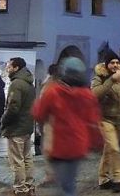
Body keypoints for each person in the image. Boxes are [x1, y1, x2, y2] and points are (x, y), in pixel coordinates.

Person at [32, 58, 101, 196]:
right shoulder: (88, 95)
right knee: (68, 182)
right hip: (78, 144)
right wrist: (97, 142)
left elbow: (38, 113)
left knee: (64, 186)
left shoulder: (53, 91)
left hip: (58, 145)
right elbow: (93, 120)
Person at [91, 51, 120, 192]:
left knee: (109, 149)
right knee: (114, 149)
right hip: (105, 119)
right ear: (106, 64)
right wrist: (111, 80)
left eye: (117, 62)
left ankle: (103, 178)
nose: (115, 65)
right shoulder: (99, 77)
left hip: (119, 119)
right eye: (112, 62)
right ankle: (119, 178)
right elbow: (94, 94)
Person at [1, 58, 36, 196]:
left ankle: (21, 188)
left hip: (16, 128)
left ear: (16, 68)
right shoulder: (29, 83)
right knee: (27, 158)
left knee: (17, 161)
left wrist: (3, 120)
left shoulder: (16, 84)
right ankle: (29, 186)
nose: (7, 69)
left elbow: (13, 108)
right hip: (27, 126)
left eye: (9, 66)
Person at [38, 63, 59, 187]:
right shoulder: (64, 85)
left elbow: (42, 107)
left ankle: (51, 177)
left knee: (49, 150)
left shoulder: (47, 86)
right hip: (59, 122)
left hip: (51, 122)